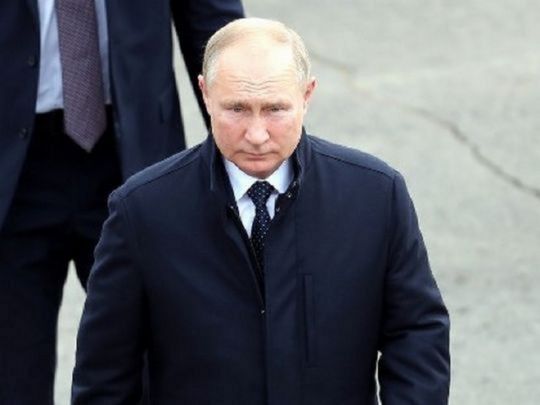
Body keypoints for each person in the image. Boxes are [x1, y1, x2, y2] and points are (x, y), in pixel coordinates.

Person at [72, 17, 450, 404]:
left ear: (307, 95)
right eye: (236, 108)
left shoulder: (375, 197)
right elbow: (105, 378)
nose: (256, 134)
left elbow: (416, 333)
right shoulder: (142, 211)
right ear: (205, 94)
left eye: (275, 109)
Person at [0, 0, 244, 403]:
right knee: (11, 375)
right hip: (13, 169)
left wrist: (248, 154)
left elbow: (214, 27)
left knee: (152, 367)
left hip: (135, 157)